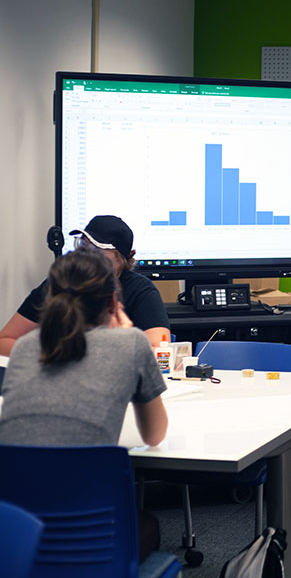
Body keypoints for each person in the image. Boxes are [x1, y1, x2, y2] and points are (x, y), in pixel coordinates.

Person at [0, 249, 168, 558]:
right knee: (149, 527)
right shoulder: (131, 343)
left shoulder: (24, 348)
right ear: (112, 302)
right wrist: (128, 335)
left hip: (16, 542)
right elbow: (154, 435)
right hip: (93, 545)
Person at [0, 215, 170, 357]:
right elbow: (4, 341)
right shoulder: (60, 283)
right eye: (82, 247)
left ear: (124, 258)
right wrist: (51, 355)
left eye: (97, 252)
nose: (86, 257)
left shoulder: (140, 291)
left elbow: (159, 350)